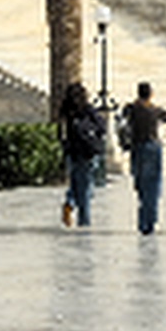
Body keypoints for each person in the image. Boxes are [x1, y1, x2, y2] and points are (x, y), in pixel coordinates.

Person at [118, 81, 166, 234]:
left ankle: (143, 221)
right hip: (153, 148)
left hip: (137, 149)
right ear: (151, 94)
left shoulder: (131, 109)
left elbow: (120, 120)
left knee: (141, 186)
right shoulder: (155, 110)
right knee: (152, 187)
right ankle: (150, 222)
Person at [57, 81, 105, 229]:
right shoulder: (87, 109)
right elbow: (102, 126)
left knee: (76, 184)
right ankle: (84, 221)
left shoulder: (66, 110)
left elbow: (60, 133)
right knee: (86, 189)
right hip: (88, 153)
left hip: (72, 153)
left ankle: (70, 203)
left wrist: (65, 147)